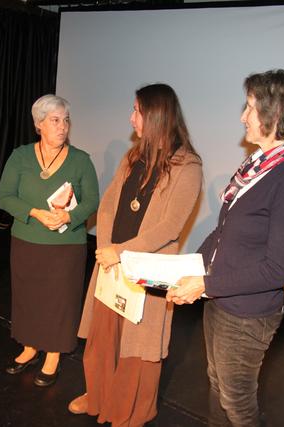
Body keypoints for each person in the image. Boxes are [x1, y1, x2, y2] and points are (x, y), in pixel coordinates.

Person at [167, 69, 284, 427]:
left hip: (248, 314)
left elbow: (277, 270)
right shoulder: (259, 166)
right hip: (222, 299)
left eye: (250, 107)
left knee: (238, 404)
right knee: (218, 386)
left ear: (276, 114)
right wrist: (190, 268)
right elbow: (225, 233)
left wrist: (205, 284)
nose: (242, 116)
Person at [68, 84, 203, 426]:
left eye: (137, 111)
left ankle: (129, 411)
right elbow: (111, 203)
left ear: (156, 115)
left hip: (146, 270)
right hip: (112, 263)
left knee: (137, 350)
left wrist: (120, 252)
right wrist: (105, 248)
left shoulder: (188, 166)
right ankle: (97, 396)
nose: (131, 118)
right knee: (103, 339)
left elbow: (170, 227)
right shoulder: (133, 156)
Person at [0, 94, 99, 387]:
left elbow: (92, 200)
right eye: (55, 120)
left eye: (66, 120)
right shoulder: (20, 156)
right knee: (28, 296)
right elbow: (5, 197)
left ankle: (53, 353)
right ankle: (30, 347)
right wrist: (34, 213)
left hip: (66, 246)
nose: (62, 126)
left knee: (59, 299)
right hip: (27, 240)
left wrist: (68, 217)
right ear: (39, 124)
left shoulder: (81, 160)